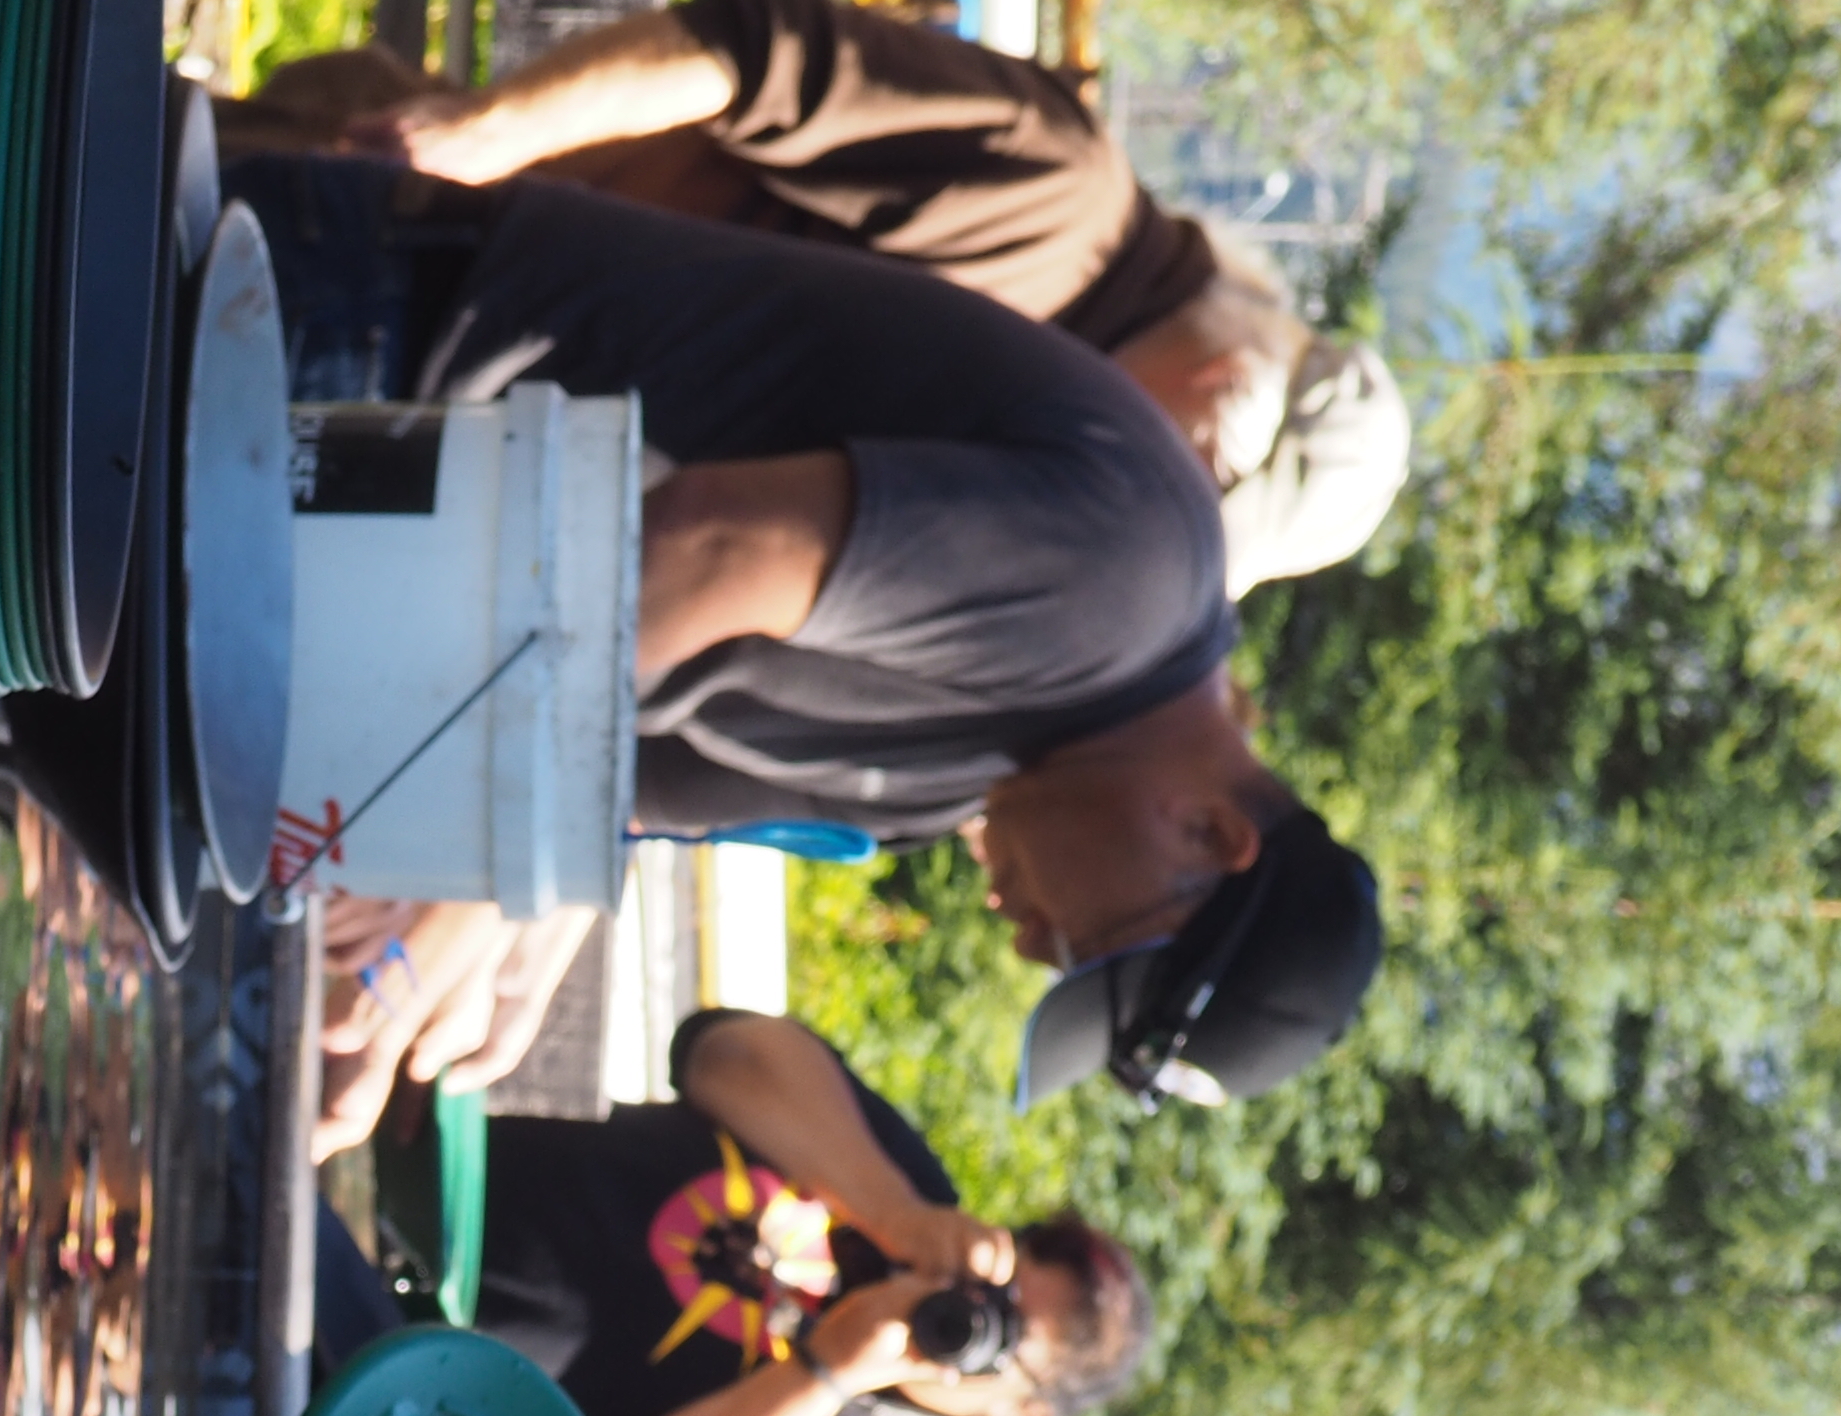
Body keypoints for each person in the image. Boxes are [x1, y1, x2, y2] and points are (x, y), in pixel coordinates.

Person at [237, 165, 1383, 1149]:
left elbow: (618, 782)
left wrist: (511, 928)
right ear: (1208, 833)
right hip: (373, 344)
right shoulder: (1119, 583)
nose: (1032, 942)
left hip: (346, 556)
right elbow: (702, 548)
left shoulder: (970, 787)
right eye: (1089, 952)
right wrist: (498, 862)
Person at [253, 0, 1413, 601]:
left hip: (423, 410)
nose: (1155, 504)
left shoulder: (1056, 425)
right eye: (1199, 481)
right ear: (1227, 393)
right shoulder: (1063, 199)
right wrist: (490, 135)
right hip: (385, 241)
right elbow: (754, 50)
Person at [371, 1005, 1153, 1416]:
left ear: (1020, 1409)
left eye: (1004, 1337)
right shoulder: (903, 1190)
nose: (975, 1313)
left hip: (378, 1368)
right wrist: (890, 1208)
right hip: (399, 1163)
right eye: (1001, 1287)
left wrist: (824, 1374)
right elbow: (721, 1049)